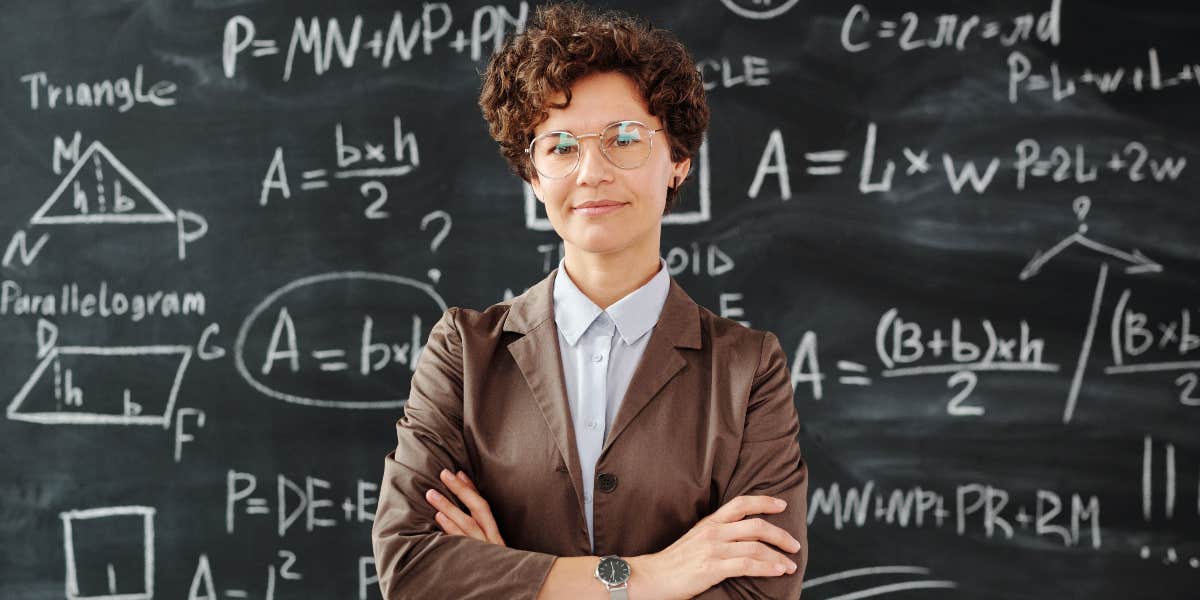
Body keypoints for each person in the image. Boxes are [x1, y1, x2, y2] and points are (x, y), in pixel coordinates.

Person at [371, 3, 808, 598]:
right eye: (560, 147)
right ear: (532, 174)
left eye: (624, 139)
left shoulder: (748, 368)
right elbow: (412, 566)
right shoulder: (464, 353)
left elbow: (759, 589)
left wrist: (511, 577)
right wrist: (649, 576)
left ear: (677, 161)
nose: (590, 172)